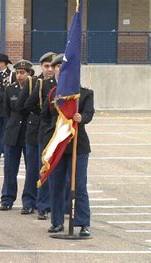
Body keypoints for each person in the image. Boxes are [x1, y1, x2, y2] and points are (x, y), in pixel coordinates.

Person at [42, 54, 94, 237]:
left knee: (78, 185)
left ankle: (83, 223)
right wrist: (49, 142)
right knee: (56, 185)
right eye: (59, 68)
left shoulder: (85, 93)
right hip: (58, 145)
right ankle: (57, 222)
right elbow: (46, 117)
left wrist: (83, 118)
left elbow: (89, 112)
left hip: (78, 146)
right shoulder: (54, 94)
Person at [20, 51, 57, 220]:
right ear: (41, 67)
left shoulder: (58, 83)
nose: (49, 69)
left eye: (52, 66)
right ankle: (29, 202)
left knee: (50, 168)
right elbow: (25, 104)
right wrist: (42, 114)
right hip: (35, 130)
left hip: (54, 130)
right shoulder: (35, 82)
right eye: (46, 66)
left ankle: (50, 203)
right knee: (33, 169)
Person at [0, 59, 34, 211]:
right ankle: (7, 198)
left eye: (23, 73)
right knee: (9, 169)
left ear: (29, 74)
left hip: (29, 132)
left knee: (31, 169)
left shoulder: (35, 88)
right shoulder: (10, 89)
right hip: (13, 133)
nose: (20, 76)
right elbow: (7, 111)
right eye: (18, 73)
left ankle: (29, 201)